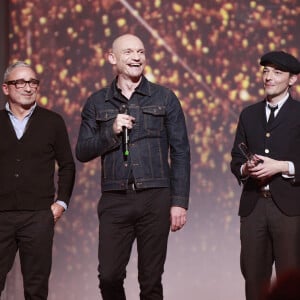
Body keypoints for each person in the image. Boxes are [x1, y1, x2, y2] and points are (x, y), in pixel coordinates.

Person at [76, 34, 190, 300]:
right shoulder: (97, 102)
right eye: (128, 52)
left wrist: (179, 201)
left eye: (140, 52)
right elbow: (82, 151)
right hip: (115, 199)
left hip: (155, 197)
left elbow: (181, 151)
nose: (136, 57)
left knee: (150, 281)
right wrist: (111, 131)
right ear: (112, 58)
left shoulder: (165, 97)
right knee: (109, 276)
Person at [0, 61, 75, 299]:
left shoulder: (52, 121)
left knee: (36, 288)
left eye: (32, 82)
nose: (28, 87)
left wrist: (60, 204)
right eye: (20, 82)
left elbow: (67, 165)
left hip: (38, 217)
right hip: (0, 215)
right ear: (6, 88)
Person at [230, 50, 300, 300]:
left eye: (277, 73)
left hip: (290, 210)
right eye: (265, 71)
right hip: (254, 207)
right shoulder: (249, 114)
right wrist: (246, 168)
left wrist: (281, 167)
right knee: (254, 279)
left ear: (292, 80)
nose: (268, 77)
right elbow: (235, 160)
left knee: (291, 281)